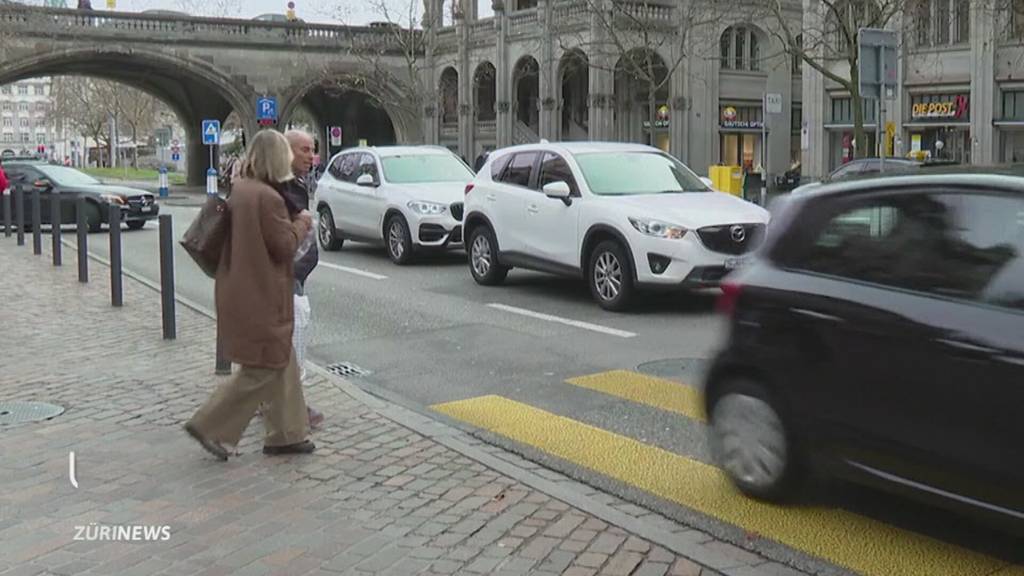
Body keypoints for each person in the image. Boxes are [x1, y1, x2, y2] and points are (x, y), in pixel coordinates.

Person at [184, 129, 315, 460]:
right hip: (261, 293)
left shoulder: (242, 189)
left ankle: (287, 434)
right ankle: (211, 425)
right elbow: (283, 246)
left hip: (241, 287)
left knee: (281, 360)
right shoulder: (267, 198)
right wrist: (302, 223)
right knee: (263, 366)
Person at [283, 130, 323, 429]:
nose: (311, 156)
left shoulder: (290, 184)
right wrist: (303, 224)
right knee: (289, 340)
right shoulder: (279, 187)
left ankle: (278, 405)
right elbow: (280, 240)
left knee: (275, 347)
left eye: (313, 150)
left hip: (289, 273)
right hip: (283, 275)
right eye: (305, 150)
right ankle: (293, 411)